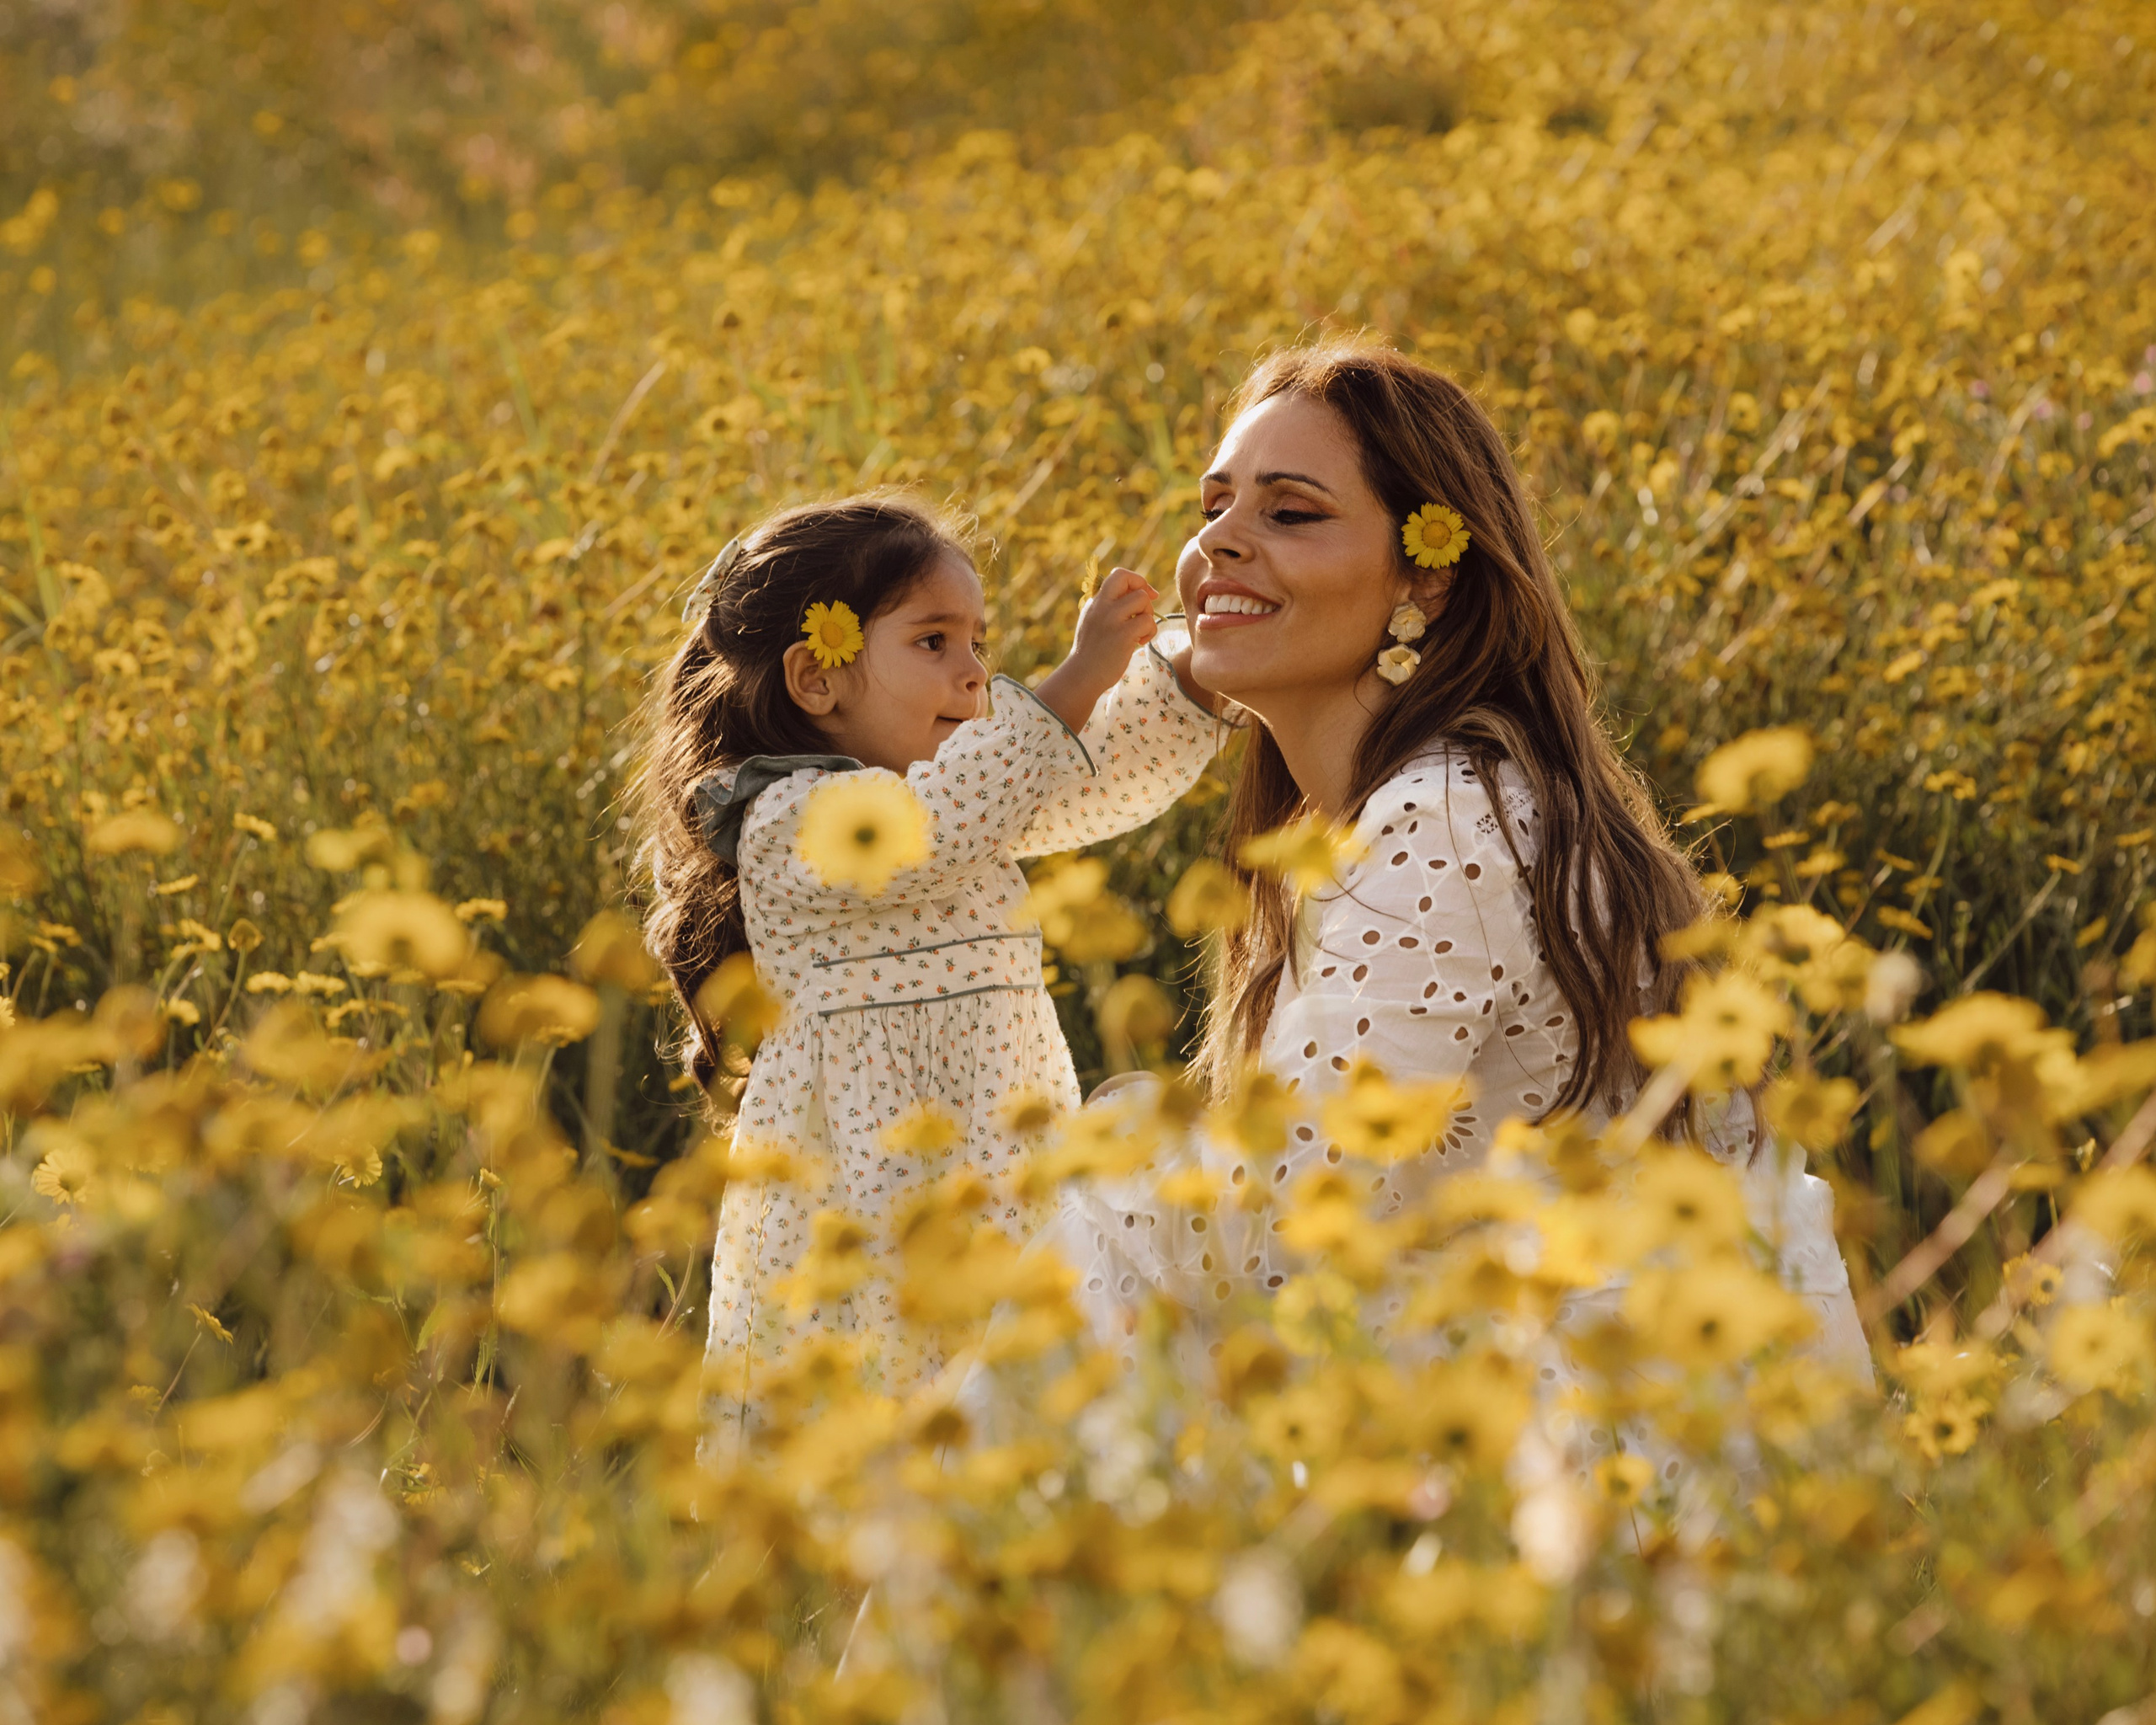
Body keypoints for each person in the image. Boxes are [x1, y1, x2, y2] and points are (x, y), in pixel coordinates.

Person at [1058, 342, 1870, 1380]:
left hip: (1591, 1424)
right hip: (1546, 1376)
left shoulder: (1443, 821)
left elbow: (1275, 1233)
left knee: (1091, 1211)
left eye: (1289, 512)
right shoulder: (1398, 805)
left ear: (1429, 576)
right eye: (1213, 506)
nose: (1217, 539)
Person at [632, 494, 1228, 1434]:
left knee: (1014, 1403)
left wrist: (1200, 673)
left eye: (979, 644)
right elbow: (944, 821)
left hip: (1000, 1166)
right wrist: (1076, 676)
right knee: (883, 1409)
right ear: (816, 679)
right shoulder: (789, 821)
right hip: (870, 1203)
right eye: (934, 641)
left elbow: (1093, 773)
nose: (974, 673)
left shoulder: (963, 798)